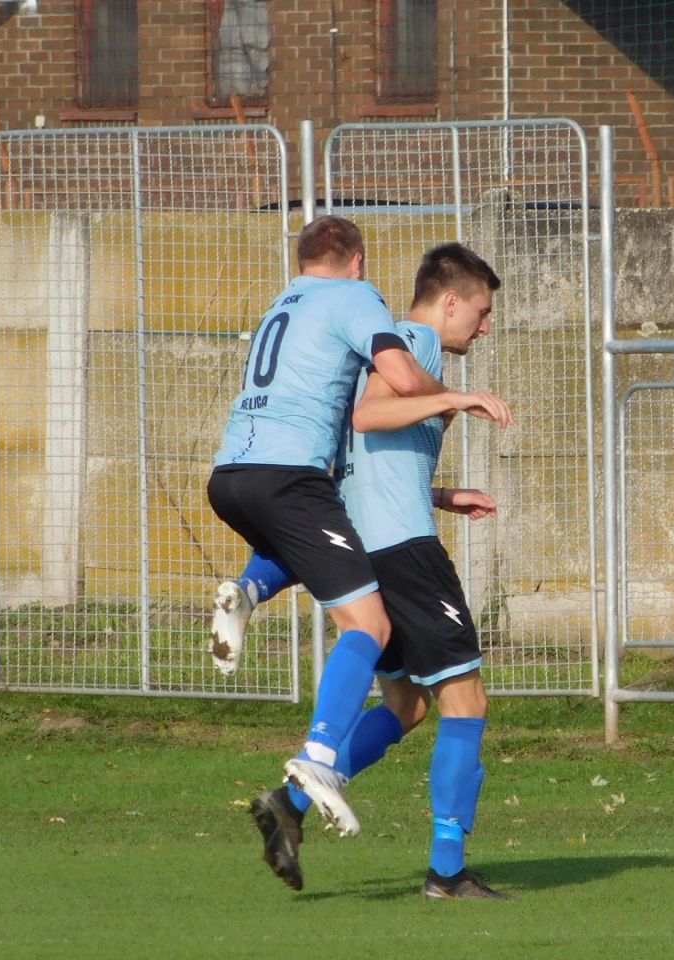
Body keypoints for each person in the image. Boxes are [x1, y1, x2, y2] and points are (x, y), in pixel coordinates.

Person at [208, 218, 512, 841]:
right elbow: (374, 413)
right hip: (404, 549)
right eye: (480, 313)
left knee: (408, 704)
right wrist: (456, 398)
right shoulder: (413, 342)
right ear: (450, 301)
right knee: (465, 701)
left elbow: (364, 467)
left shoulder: (325, 331)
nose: (484, 327)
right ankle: (444, 870)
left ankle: (290, 804)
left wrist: (447, 495)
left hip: (343, 519)